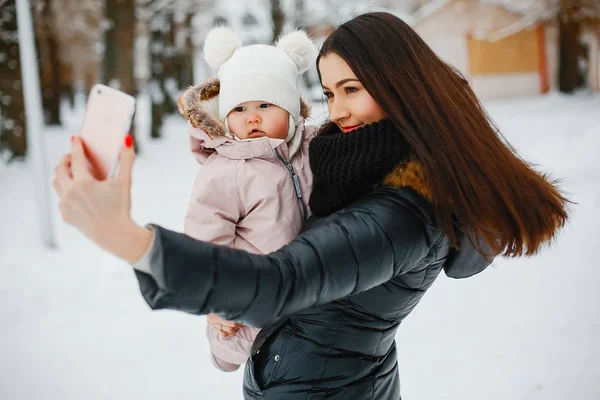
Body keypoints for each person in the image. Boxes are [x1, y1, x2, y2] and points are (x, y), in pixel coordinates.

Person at [53, 12, 570, 399]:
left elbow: (285, 282)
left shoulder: (401, 213)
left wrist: (126, 238)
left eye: (352, 88)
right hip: (334, 378)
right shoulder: (362, 158)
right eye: (328, 92)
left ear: (403, 87)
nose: (338, 110)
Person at [176, 27, 318, 372]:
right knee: (249, 347)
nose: (252, 117)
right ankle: (227, 352)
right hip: (251, 298)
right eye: (239, 109)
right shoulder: (225, 170)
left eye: (265, 105)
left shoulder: (309, 148)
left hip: (307, 291)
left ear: (291, 112)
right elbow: (205, 241)